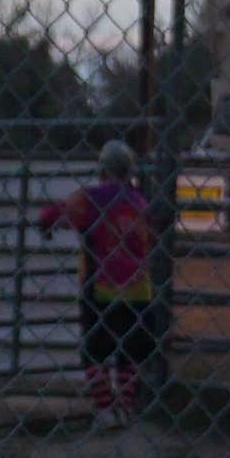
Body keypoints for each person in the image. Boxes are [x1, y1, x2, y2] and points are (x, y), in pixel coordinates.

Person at [37, 135, 158, 421]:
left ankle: (105, 408)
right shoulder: (140, 202)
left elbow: (52, 214)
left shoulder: (91, 199)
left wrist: (46, 224)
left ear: (101, 168)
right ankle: (125, 404)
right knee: (130, 352)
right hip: (139, 288)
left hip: (101, 285)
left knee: (94, 352)